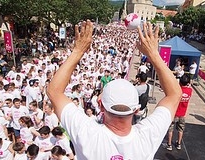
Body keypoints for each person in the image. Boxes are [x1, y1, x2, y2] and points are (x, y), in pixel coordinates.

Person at [47, 21, 181, 159]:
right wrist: (153, 53)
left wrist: (78, 51)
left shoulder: (86, 133)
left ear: (101, 106)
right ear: (136, 110)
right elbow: (175, 94)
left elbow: (54, 92)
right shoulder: (147, 136)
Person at [166, 74, 192, 151]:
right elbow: (189, 87)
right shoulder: (190, 91)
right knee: (181, 129)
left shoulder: (177, 90)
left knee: (171, 129)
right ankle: (179, 144)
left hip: (174, 113)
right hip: (182, 114)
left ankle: (169, 144)